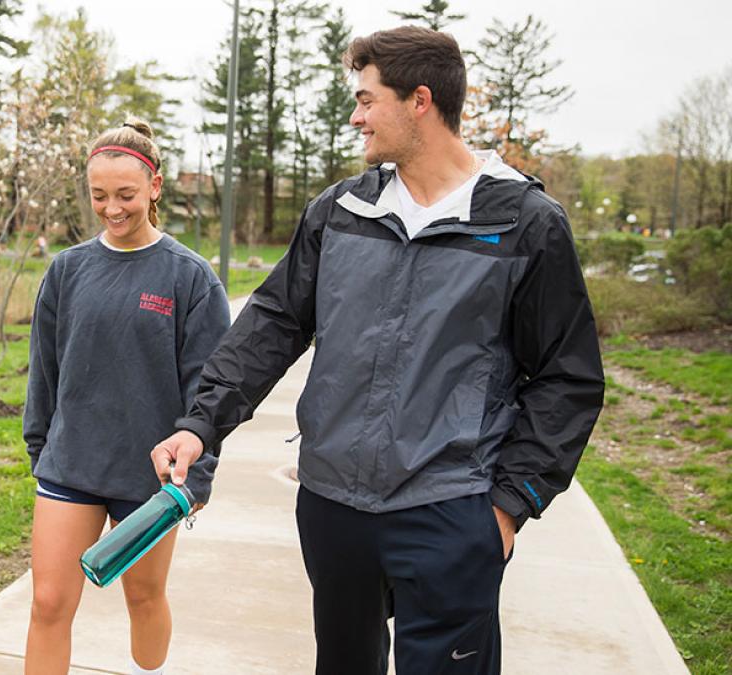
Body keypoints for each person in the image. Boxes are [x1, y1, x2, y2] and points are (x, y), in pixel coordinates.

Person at [151, 26, 605, 674]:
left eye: (367, 100)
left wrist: (508, 506)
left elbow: (566, 376)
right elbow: (274, 321)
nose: (356, 115)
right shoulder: (340, 211)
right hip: (333, 508)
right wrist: (201, 424)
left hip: (451, 510)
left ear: (420, 101)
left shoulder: (522, 223)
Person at [23, 118, 230, 675]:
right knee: (47, 604)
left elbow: (209, 390)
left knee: (142, 598)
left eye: (125, 195)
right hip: (70, 465)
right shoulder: (67, 270)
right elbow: (43, 369)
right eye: (98, 196)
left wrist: (197, 478)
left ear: (155, 187)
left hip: (151, 477)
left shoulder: (189, 277)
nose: (112, 208)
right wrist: (40, 449)